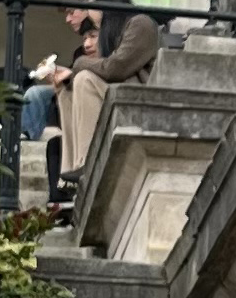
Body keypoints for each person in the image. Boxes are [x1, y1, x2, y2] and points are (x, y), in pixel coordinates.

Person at [16, 3, 161, 204]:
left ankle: (87, 163)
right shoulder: (112, 33)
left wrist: (77, 66)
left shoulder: (141, 24)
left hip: (138, 102)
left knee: (83, 79)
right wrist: (67, 77)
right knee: (67, 89)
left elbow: (115, 69)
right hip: (116, 97)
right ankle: (70, 172)